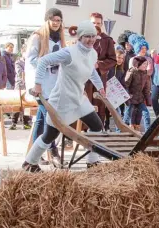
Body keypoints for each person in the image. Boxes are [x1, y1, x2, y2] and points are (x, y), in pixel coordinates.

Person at [22, 20, 106, 172]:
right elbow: (43, 62)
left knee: (97, 126)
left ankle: (92, 162)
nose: (91, 40)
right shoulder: (69, 53)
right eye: (87, 36)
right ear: (80, 37)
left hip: (79, 99)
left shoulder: (92, 53)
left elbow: (91, 71)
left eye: (93, 36)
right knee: (50, 135)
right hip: (62, 101)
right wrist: (38, 84)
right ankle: (29, 162)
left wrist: (100, 87)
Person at [25, 8, 66, 164]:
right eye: (53, 20)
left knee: (42, 119)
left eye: (59, 20)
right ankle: (53, 150)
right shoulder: (38, 37)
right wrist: (48, 62)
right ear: (47, 20)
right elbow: (30, 60)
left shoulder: (60, 38)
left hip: (54, 85)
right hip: (39, 84)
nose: (56, 23)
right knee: (50, 117)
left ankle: (35, 154)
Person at [85, 12, 116, 124]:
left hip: (99, 76)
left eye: (98, 23)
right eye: (93, 22)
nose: (95, 25)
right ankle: (80, 131)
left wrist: (99, 64)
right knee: (84, 102)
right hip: (84, 76)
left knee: (98, 103)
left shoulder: (107, 40)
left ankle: (97, 129)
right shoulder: (83, 37)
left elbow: (113, 59)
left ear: (102, 24)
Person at [125, 56, 151, 131]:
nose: (145, 66)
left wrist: (148, 100)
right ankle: (121, 131)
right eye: (144, 64)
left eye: (146, 64)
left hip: (140, 98)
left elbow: (146, 88)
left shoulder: (145, 73)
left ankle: (148, 132)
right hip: (131, 98)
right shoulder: (132, 71)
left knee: (146, 114)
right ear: (138, 64)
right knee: (128, 115)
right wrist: (127, 95)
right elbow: (125, 84)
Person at [10, 44, 31, 130]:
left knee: (27, 104)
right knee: (17, 104)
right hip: (20, 85)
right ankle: (14, 123)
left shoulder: (30, 61)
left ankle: (26, 122)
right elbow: (20, 73)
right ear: (22, 52)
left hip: (28, 85)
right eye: (26, 52)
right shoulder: (18, 62)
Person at [105, 49, 126, 131]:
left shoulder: (121, 70)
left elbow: (121, 82)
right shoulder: (110, 68)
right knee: (106, 111)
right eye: (118, 57)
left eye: (121, 58)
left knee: (117, 112)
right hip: (107, 92)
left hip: (115, 94)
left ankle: (118, 129)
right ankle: (106, 126)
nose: (120, 60)